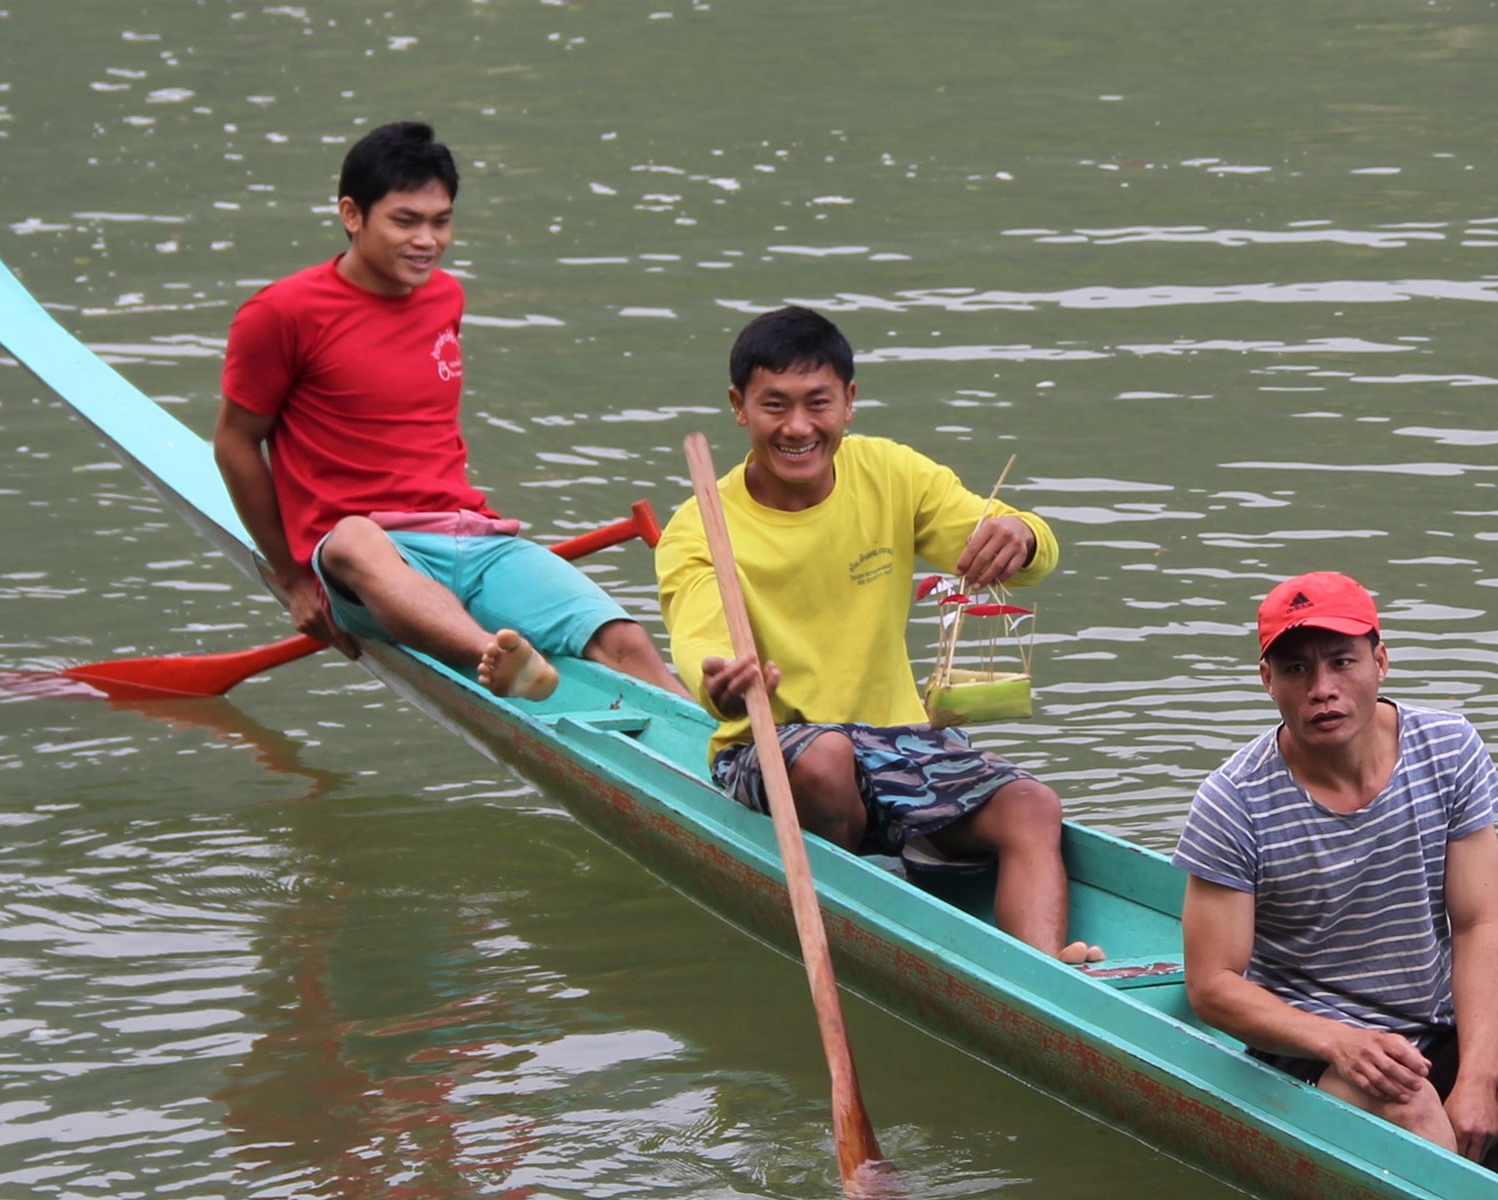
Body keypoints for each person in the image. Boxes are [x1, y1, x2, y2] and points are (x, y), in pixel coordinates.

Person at [655, 305, 1101, 963]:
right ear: (739, 407)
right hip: (770, 743)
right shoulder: (700, 526)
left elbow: (1010, 541)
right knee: (827, 756)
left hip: (897, 739)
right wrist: (725, 685)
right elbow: (701, 647)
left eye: (818, 404)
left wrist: (1025, 534)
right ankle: (872, 885)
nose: (799, 427)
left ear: (850, 402)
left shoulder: (890, 473)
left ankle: (1047, 973)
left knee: (1033, 805)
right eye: (775, 405)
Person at [214, 121, 687, 703]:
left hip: (472, 536)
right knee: (355, 539)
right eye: (406, 221)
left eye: (441, 221)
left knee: (626, 642)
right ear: (352, 215)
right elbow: (236, 442)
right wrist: (291, 579)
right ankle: (492, 657)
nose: (427, 240)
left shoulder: (445, 297)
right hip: (362, 557)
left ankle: (723, 757)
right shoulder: (280, 313)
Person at [1175, 571, 1498, 1168]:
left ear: (1380, 662)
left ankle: (1452, 1169)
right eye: (1297, 668)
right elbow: (1213, 986)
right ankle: (1440, 1169)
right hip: (1318, 1043)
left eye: (1342, 662)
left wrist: (1478, 1081)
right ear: (1267, 681)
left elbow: (1478, 922)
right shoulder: (1233, 800)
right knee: (1410, 1105)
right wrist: (1339, 1041)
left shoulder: (1449, 747)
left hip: (1435, 1020)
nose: (1323, 688)